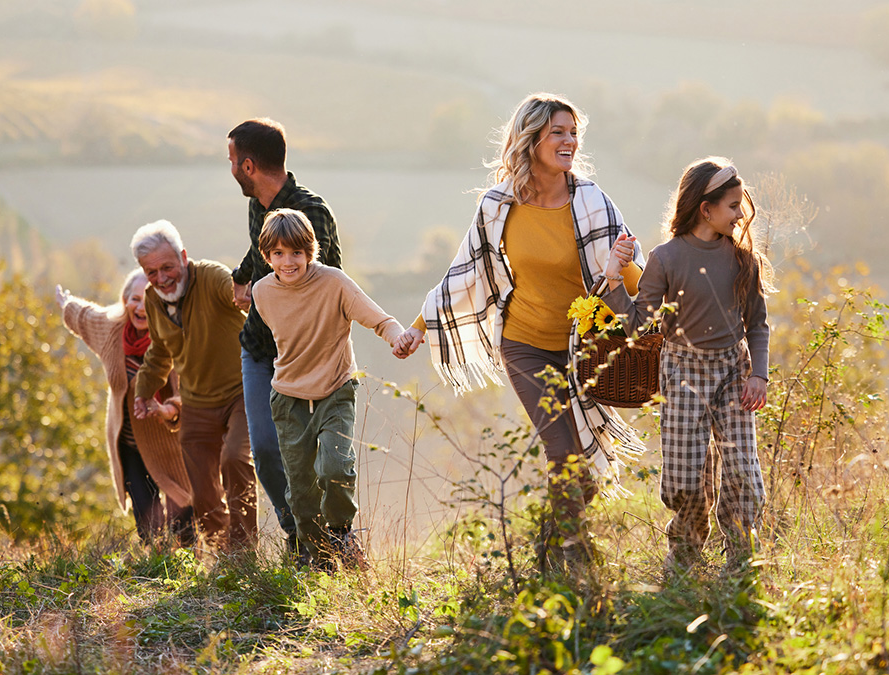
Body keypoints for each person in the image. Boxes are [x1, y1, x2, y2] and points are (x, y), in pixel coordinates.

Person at [393, 92, 645, 568]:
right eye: (558, 132)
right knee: (564, 448)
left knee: (585, 470)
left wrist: (663, 308)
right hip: (525, 344)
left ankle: (548, 547)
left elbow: (633, 273)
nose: (569, 141)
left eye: (573, 133)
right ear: (531, 140)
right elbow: (464, 272)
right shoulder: (498, 205)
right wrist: (418, 327)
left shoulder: (592, 202)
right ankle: (571, 554)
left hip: (583, 348)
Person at [601, 156, 772, 577]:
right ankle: (687, 552)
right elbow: (640, 325)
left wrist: (759, 375)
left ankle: (741, 558)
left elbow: (758, 323)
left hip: (734, 372)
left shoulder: (742, 261)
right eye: (733, 206)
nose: (740, 215)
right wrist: (611, 279)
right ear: (705, 208)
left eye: (740, 206)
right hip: (682, 374)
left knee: (744, 476)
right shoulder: (666, 258)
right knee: (683, 480)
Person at [253, 208, 403, 569]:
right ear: (267, 255)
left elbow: (379, 319)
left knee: (335, 466)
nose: (288, 262)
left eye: (296, 253)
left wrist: (397, 337)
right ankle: (318, 559)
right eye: (278, 254)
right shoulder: (262, 293)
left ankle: (340, 534)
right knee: (301, 492)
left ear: (310, 251)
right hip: (288, 398)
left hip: (335, 390)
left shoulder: (334, 283)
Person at [227, 118, 343, 560]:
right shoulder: (260, 204)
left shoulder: (311, 212)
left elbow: (330, 279)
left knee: (319, 460)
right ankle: (302, 538)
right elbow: (261, 248)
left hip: (305, 356)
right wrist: (243, 277)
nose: (232, 169)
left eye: (233, 161)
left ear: (249, 165)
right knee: (265, 449)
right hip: (258, 348)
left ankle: (334, 541)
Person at [131, 220, 258, 552]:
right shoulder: (152, 299)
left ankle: (245, 553)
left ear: (183, 257)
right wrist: (143, 392)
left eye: (167, 267)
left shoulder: (211, 276)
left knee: (234, 459)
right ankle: (222, 554)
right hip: (197, 403)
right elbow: (159, 352)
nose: (161, 278)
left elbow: (238, 295)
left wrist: (245, 295)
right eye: (151, 272)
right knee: (202, 488)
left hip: (240, 391)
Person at [56, 270, 194, 546]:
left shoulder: (172, 337)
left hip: (169, 445)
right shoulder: (113, 329)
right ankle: (155, 574)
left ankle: (192, 580)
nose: (140, 307)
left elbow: (187, 394)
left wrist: (169, 409)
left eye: (147, 300)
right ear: (124, 300)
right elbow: (86, 317)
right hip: (129, 444)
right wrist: (66, 303)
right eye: (134, 299)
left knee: (185, 524)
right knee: (147, 524)